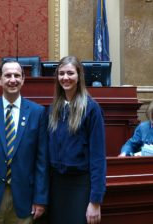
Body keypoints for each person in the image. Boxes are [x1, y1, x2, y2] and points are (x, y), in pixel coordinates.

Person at [0, 59, 49, 224]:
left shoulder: (38, 112)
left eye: (17, 75)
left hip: (24, 198)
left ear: (23, 79)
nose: (13, 79)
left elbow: (41, 161)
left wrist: (40, 198)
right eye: (8, 75)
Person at [47, 56, 106, 224]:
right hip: (57, 185)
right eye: (61, 73)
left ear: (79, 76)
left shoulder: (91, 109)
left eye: (70, 73)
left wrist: (95, 201)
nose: (65, 78)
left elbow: (98, 158)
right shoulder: (53, 110)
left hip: (80, 185)